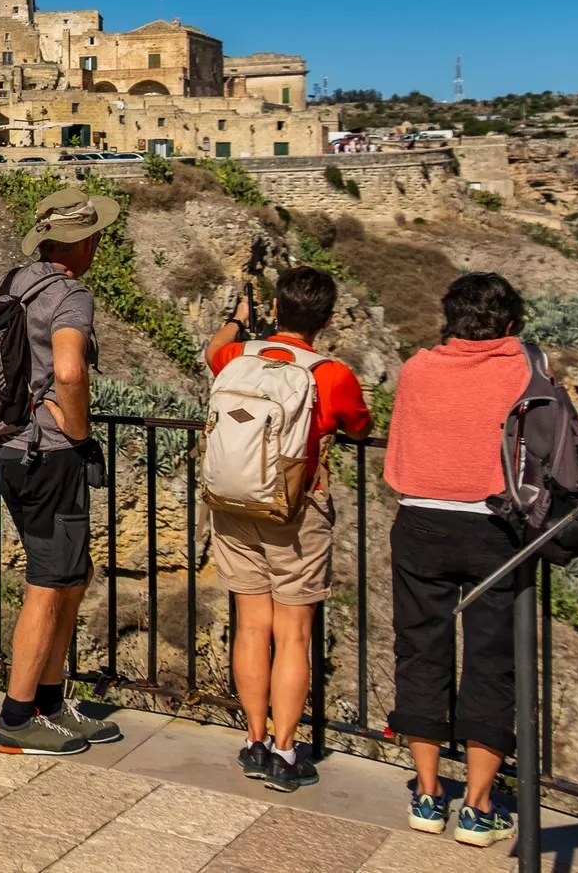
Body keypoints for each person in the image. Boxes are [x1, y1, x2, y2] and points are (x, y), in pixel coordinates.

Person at [205, 266, 372, 793]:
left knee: (250, 625)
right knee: (293, 633)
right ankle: (284, 749)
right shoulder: (331, 374)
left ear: (275, 309)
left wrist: (238, 319)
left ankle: (253, 741)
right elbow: (359, 425)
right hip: (296, 514)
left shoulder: (236, 358)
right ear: (324, 320)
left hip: (234, 506)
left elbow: (215, 347)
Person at [385, 273, 530, 848]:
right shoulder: (522, 368)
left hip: (419, 519)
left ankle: (426, 794)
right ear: (510, 322)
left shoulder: (418, 368)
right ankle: (477, 806)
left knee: (420, 650)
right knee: (492, 659)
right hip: (493, 525)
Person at [0, 187, 123, 756]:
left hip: (9, 450)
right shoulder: (70, 296)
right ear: (83, 241)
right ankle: (16, 718)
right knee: (49, 583)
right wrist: (80, 433)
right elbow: (69, 372)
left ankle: (48, 704)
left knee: (70, 573)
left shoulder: (11, 285)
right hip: (50, 454)